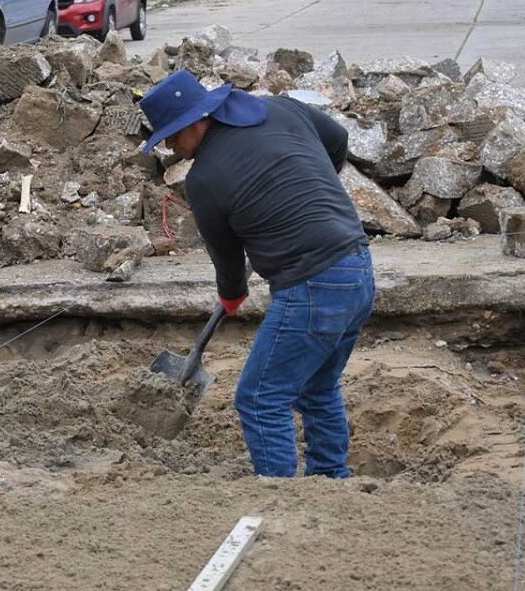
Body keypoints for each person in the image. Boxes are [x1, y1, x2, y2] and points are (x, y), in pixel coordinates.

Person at [138, 70, 375, 478]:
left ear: (197, 120)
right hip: (358, 269)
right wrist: (307, 185)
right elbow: (336, 139)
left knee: (261, 397)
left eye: (173, 136)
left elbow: (228, 262)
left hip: (312, 285)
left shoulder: (205, 180)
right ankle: (331, 481)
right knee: (317, 387)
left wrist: (231, 295)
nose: (172, 148)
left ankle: (279, 497)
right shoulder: (279, 108)